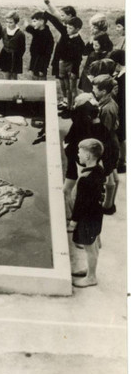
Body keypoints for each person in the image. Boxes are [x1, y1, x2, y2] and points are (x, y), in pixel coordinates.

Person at [68, 138, 106, 288]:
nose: (78, 154)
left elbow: (80, 204)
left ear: (88, 156)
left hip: (87, 218)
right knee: (94, 245)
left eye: (80, 152)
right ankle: (90, 269)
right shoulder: (99, 170)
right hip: (96, 215)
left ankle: (91, 277)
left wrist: (73, 222)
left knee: (89, 248)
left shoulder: (85, 179)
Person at [41, 0, 83, 110]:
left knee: (69, 85)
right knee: (62, 80)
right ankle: (65, 102)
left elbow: (55, 20)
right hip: (61, 58)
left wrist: (46, 14)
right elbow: (55, 13)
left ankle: (71, 105)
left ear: (70, 16)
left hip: (68, 60)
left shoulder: (69, 28)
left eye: (63, 15)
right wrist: (47, 1)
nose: (61, 17)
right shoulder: (68, 24)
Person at [92, 74, 120, 214]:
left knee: (109, 174)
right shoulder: (109, 101)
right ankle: (110, 202)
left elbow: (104, 131)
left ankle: (107, 206)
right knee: (113, 173)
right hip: (112, 142)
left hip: (108, 145)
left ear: (103, 91)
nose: (93, 90)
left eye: (95, 88)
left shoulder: (107, 108)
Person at [0, 11, 26, 80]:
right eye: (7, 22)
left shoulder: (20, 34)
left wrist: (17, 57)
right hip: (5, 54)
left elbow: (22, 49)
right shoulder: (4, 30)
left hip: (15, 56)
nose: (8, 24)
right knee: (6, 74)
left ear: (16, 22)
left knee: (14, 76)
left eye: (11, 22)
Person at [25, 11, 54, 80]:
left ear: (42, 21)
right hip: (34, 58)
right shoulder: (37, 30)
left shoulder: (48, 35)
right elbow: (28, 28)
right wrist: (26, 23)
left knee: (41, 78)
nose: (32, 23)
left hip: (42, 61)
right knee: (34, 76)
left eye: (34, 21)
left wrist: (43, 68)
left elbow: (48, 53)